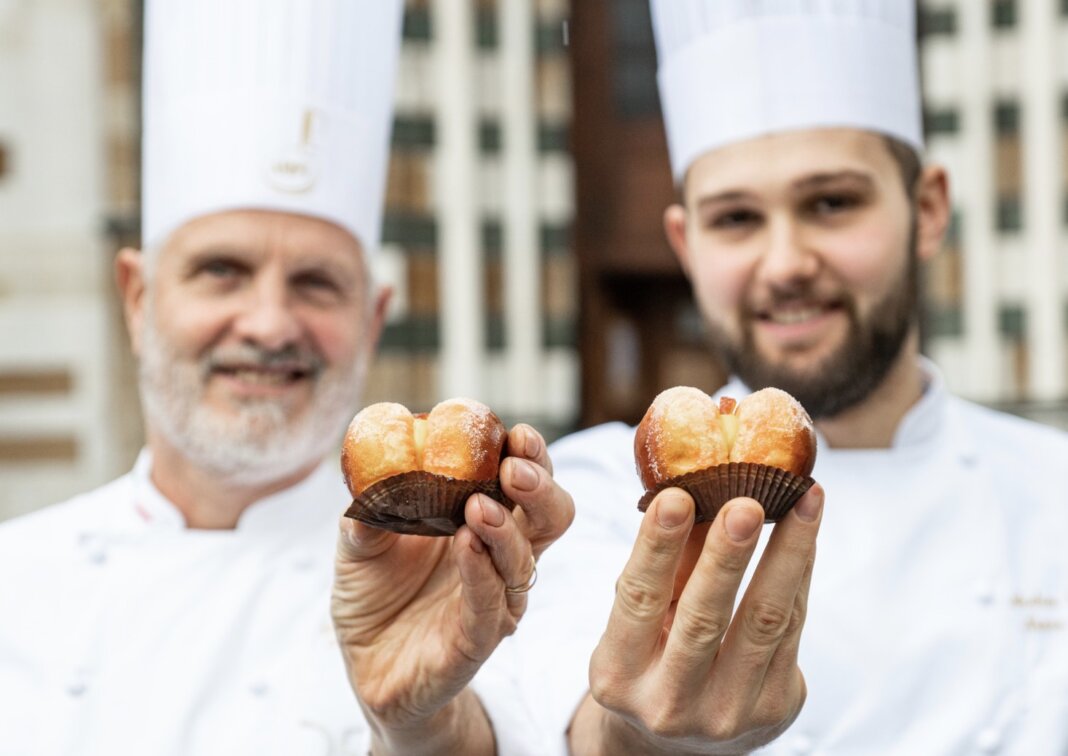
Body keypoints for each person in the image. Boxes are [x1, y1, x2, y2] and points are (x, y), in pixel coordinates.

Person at [0, 2, 572, 754]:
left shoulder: (486, 582)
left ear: (373, 318)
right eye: (221, 271)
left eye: (316, 283)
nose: (269, 324)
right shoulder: (16, 582)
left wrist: (427, 728)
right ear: (138, 299)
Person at [517, 1, 1068, 753]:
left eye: (832, 203)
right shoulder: (595, 496)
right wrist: (640, 735)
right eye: (736, 219)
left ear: (928, 208)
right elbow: (559, 726)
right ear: (686, 243)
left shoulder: (1054, 489)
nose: (785, 265)